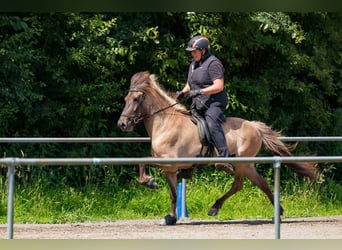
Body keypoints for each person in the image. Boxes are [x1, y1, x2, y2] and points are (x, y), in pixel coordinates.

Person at [176, 35, 233, 172]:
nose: (192, 53)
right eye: (191, 51)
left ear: (203, 50)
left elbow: (218, 86)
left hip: (214, 103)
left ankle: (225, 159)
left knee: (212, 124)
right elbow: (190, 84)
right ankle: (188, 166)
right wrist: (182, 93)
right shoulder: (193, 64)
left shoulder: (214, 63)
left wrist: (200, 91)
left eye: (194, 51)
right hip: (198, 104)